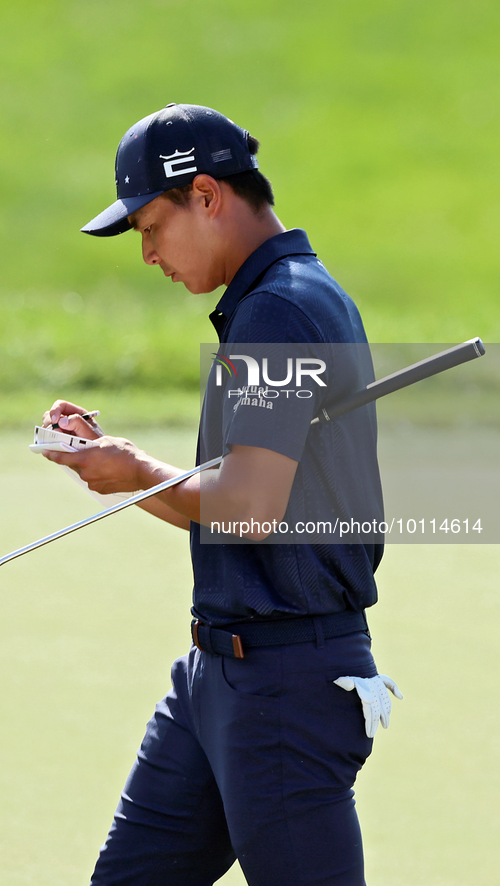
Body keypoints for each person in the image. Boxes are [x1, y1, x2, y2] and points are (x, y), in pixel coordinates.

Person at [41, 103, 401, 886]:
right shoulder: (268, 300)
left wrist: (135, 470)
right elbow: (232, 514)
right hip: (220, 679)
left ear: (205, 196)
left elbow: (247, 503)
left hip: (285, 688)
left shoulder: (280, 307)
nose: (146, 254)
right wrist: (118, 467)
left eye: (148, 228)